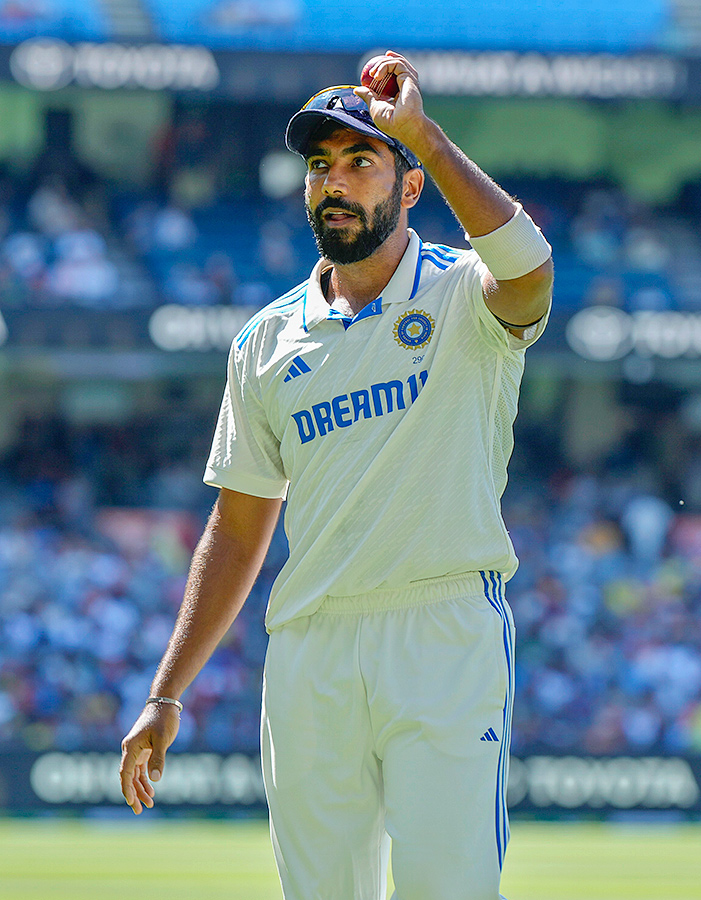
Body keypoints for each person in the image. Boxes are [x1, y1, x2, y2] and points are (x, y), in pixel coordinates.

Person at [119, 52, 553, 900]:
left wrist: (421, 132)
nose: (336, 183)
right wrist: (166, 693)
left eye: (362, 161)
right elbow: (239, 529)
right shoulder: (265, 340)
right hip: (311, 647)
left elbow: (532, 271)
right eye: (320, 166)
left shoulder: (466, 294)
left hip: (443, 630)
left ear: (411, 186)